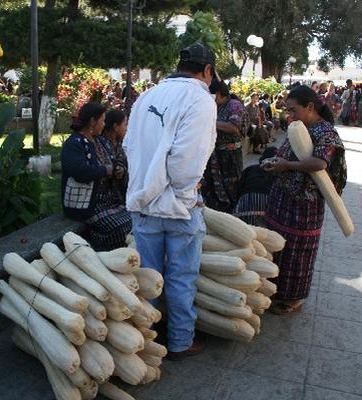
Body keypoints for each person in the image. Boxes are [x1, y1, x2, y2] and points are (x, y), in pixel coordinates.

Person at [123, 43, 217, 360]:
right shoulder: (200, 99)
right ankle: (179, 342)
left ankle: (145, 344)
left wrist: (145, 185)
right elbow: (186, 161)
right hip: (179, 207)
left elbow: (128, 145)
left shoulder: (147, 96)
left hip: (143, 205)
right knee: (180, 278)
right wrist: (187, 193)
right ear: (207, 71)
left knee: (147, 278)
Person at [262, 85, 346, 314]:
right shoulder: (299, 127)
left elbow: (320, 163)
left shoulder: (325, 132)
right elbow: (285, 153)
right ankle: (274, 290)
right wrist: (273, 164)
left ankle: (293, 299)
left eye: (293, 110)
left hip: (304, 203)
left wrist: (286, 165)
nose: (290, 115)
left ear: (310, 107)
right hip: (283, 197)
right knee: (276, 245)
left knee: (297, 253)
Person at [61, 102, 132, 250]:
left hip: (110, 202)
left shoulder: (100, 141)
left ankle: (126, 257)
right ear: (93, 121)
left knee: (137, 219)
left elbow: (115, 161)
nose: (104, 124)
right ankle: (107, 254)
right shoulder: (74, 143)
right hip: (90, 206)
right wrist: (106, 170)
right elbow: (80, 171)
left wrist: (119, 170)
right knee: (120, 228)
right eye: (103, 120)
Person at [202, 80, 246, 213]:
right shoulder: (215, 106)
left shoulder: (234, 105)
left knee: (230, 186)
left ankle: (231, 214)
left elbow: (233, 127)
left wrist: (209, 121)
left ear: (219, 94)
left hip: (230, 156)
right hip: (215, 156)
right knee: (212, 187)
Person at [233, 147, 278, 226]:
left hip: (246, 202)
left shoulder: (250, 169)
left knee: (244, 226)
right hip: (266, 206)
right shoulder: (278, 174)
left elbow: (239, 188)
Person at [102, 109, 128, 202]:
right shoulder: (101, 145)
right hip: (105, 200)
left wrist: (123, 169)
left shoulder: (121, 144)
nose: (127, 128)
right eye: (125, 124)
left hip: (121, 197)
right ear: (116, 127)